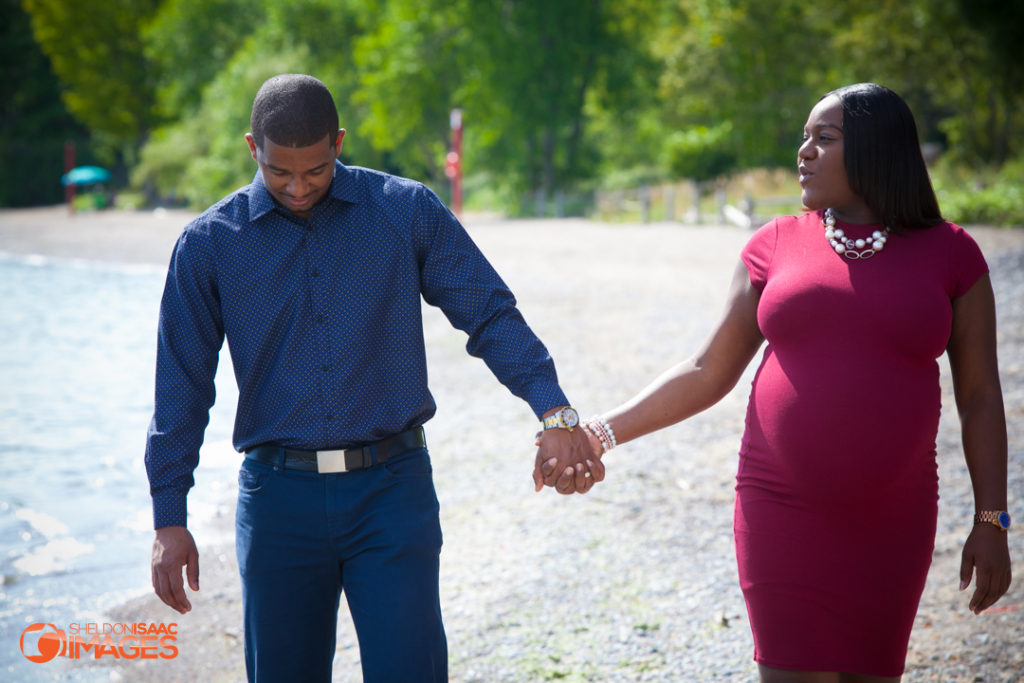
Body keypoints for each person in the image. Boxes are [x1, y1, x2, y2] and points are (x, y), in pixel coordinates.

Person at [145, 73, 601, 682]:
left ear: (338, 142)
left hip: (392, 492)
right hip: (278, 503)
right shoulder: (208, 245)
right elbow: (181, 387)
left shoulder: (403, 211)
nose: (300, 187)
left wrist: (554, 410)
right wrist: (169, 515)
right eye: (281, 172)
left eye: (315, 169)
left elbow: (488, 313)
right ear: (253, 148)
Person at [548, 83, 1012, 681]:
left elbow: (980, 398)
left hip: (896, 515)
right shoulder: (773, 244)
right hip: (780, 507)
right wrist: (597, 434)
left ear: (876, 149)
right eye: (804, 138)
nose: (804, 152)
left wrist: (991, 520)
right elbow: (706, 370)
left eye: (824, 138)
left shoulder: (952, 254)